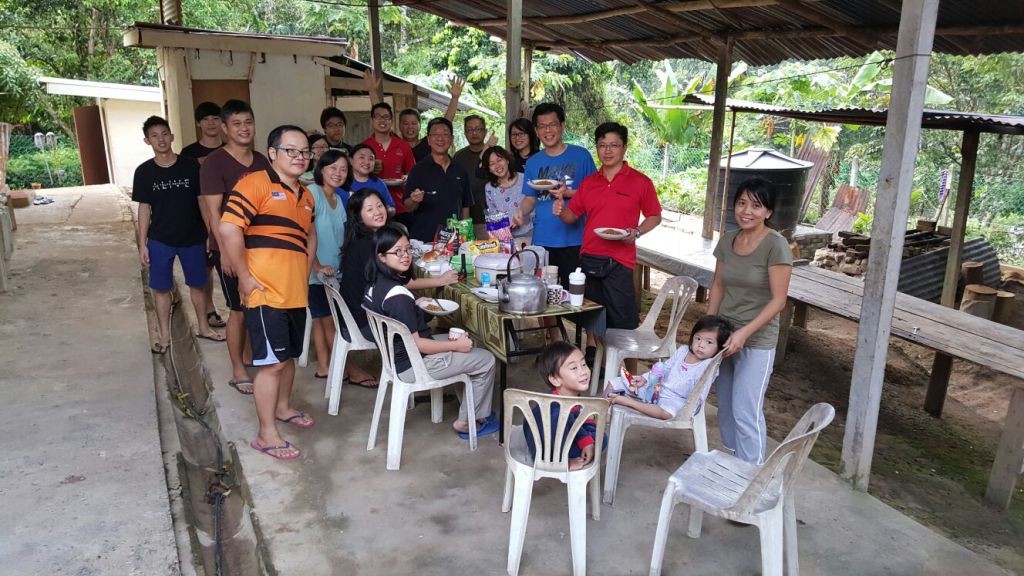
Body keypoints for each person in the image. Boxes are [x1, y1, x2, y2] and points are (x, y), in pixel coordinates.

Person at [220, 125, 317, 461]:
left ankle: (283, 407)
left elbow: (309, 237)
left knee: (286, 358)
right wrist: (244, 278)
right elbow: (229, 228)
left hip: (294, 294)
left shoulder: (306, 196)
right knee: (272, 364)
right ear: (273, 153)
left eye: (305, 152)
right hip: (265, 294)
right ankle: (266, 434)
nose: (300, 157)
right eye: (291, 150)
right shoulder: (255, 183)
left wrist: (303, 275)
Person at [364, 223, 497, 438]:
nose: (405, 256)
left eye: (407, 249)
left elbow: (397, 317)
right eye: (397, 252)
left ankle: (471, 407)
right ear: (381, 256)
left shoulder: (376, 284)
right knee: (486, 359)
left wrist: (415, 305)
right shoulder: (399, 297)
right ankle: (468, 422)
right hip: (414, 363)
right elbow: (419, 344)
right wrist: (455, 346)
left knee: (469, 342)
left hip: (396, 358)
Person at [556, 122, 662, 369]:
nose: (607, 150)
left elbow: (654, 215)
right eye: (602, 145)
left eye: (613, 145)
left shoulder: (640, 181)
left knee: (624, 326)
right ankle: (605, 372)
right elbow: (572, 216)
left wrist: (636, 232)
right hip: (590, 259)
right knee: (595, 323)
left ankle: (631, 378)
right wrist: (560, 211)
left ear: (624, 147)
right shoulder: (590, 182)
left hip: (620, 263)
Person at [707, 177, 793, 465]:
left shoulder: (776, 246)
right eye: (742, 203)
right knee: (726, 408)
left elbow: (778, 301)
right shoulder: (727, 240)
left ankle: (752, 477)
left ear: (768, 212)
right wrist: (710, 328)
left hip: (756, 340)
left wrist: (744, 334)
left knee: (746, 410)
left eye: (756, 206)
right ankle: (734, 463)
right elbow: (718, 284)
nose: (747, 211)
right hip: (725, 336)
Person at [338, 188, 457, 386]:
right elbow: (404, 282)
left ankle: (427, 359)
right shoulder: (369, 246)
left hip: (358, 313)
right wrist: (440, 281)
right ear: (358, 216)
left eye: (379, 206)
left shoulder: (365, 238)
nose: (377, 211)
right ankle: (422, 371)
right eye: (369, 209)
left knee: (419, 309)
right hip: (366, 322)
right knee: (423, 314)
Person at [200, 99, 272, 395]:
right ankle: (238, 370)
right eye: (237, 124)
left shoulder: (261, 161)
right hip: (230, 249)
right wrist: (225, 253)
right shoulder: (215, 163)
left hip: (261, 249)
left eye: (249, 122)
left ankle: (255, 357)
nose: (244, 128)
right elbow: (214, 212)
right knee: (238, 310)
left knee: (260, 305)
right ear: (226, 128)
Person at [133, 115, 222, 353]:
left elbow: (202, 200)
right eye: (154, 136)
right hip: (160, 239)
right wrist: (142, 244)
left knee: (198, 284)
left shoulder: (191, 166)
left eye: (164, 134)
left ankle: (203, 327)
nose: (161, 140)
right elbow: (144, 208)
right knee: (160, 289)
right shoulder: (144, 172)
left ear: (172, 136)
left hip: (193, 236)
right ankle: (164, 336)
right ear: (147, 141)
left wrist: (210, 231)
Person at [514, 102, 597, 289]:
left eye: (552, 125)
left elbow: (594, 193)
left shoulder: (581, 155)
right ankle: (554, 321)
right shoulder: (534, 162)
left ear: (562, 126)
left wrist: (568, 193)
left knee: (575, 295)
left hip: (574, 240)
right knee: (543, 295)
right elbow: (530, 198)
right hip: (542, 240)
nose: (547, 131)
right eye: (542, 126)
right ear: (536, 131)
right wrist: (521, 212)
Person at [603, 315, 731, 420]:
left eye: (709, 342)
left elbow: (698, 395)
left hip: (678, 400)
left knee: (666, 413)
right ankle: (598, 416)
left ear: (719, 348)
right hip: (658, 389)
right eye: (698, 338)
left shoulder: (709, 365)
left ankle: (628, 402)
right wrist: (645, 379)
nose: (701, 345)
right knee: (614, 383)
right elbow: (664, 368)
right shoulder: (683, 351)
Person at [179, 101, 225, 330]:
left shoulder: (229, 149)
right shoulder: (188, 154)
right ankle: (209, 309)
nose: (211, 123)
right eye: (206, 119)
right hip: (199, 220)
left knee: (228, 264)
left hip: (228, 216)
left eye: (216, 118)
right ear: (198, 123)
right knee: (205, 268)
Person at [307, 150, 349, 379]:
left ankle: (325, 366)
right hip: (318, 272)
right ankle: (349, 369)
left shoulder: (338, 197)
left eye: (343, 169)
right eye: (332, 168)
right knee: (327, 321)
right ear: (321, 169)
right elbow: (303, 232)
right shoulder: (313, 192)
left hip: (334, 272)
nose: (338, 173)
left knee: (321, 319)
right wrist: (316, 266)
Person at [524, 342, 598, 470]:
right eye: (574, 368)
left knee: (595, 437)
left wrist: (585, 440)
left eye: (584, 364)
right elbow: (547, 443)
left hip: (559, 435)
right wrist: (563, 463)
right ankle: (559, 462)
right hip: (546, 452)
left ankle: (588, 425)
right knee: (600, 440)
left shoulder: (566, 397)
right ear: (555, 379)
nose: (583, 372)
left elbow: (572, 421)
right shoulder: (556, 411)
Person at [404, 117, 474, 242]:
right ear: (429, 140)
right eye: (435, 135)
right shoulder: (418, 170)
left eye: (445, 134)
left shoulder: (460, 170)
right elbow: (408, 206)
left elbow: (465, 205)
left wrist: (465, 236)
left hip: (453, 241)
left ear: (451, 139)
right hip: (424, 240)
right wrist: (414, 200)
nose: (440, 139)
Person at [367, 71, 463, 162]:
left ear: (419, 125)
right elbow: (381, 115)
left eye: (413, 123)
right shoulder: (395, 143)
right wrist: (372, 91)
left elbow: (446, 122)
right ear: (399, 125)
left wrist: (455, 98)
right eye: (405, 123)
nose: (410, 127)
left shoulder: (428, 143)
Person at [362, 102, 415, 220]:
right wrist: (369, 169)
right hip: (372, 208)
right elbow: (356, 176)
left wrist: (407, 178)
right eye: (378, 117)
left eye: (386, 117)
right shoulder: (364, 147)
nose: (382, 121)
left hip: (400, 207)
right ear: (372, 120)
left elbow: (413, 173)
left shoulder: (403, 145)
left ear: (391, 121)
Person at [452, 114, 497, 232]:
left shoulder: (495, 155)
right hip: (465, 219)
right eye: (470, 130)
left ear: (485, 131)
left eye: (478, 129)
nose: (474, 133)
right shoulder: (458, 156)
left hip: (491, 218)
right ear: (465, 133)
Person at [482, 145, 531, 245]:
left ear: (507, 160)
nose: (497, 165)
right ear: (489, 169)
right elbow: (493, 215)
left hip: (529, 235)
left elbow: (533, 204)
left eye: (499, 160)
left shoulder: (525, 179)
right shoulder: (489, 188)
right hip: (505, 240)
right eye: (492, 164)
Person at [348, 143, 394, 210]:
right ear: (350, 160)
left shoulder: (379, 184)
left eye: (371, 159)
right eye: (362, 157)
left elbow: (391, 207)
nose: (367, 162)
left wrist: (386, 210)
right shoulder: (342, 182)